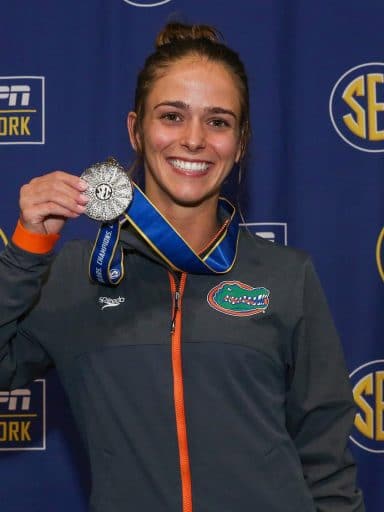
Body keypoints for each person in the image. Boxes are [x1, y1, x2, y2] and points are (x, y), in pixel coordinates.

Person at [0, 22, 364, 512]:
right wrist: (26, 248)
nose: (193, 140)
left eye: (218, 122)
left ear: (239, 144)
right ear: (135, 130)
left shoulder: (286, 276)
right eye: (172, 116)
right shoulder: (75, 276)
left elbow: (327, 460)